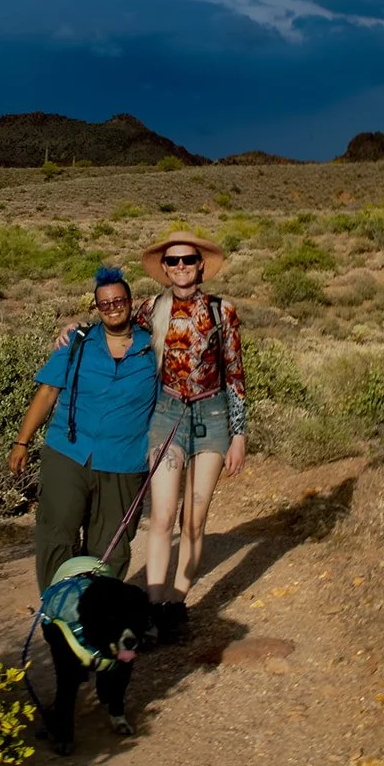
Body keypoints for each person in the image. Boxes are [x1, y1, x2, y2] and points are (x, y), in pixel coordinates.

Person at [9, 266, 160, 596]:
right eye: (104, 304)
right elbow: (48, 392)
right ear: (97, 308)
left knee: (111, 545)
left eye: (118, 300)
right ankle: (58, 607)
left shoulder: (153, 350)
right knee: (56, 532)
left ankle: (95, 611)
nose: (113, 308)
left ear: (130, 302)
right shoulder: (77, 342)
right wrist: (22, 442)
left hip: (124, 461)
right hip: (68, 451)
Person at [135, 231, 247, 643]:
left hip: (213, 417)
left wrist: (239, 434)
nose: (181, 267)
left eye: (188, 260)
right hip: (167, 415)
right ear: (164, 269)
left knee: (194, 520)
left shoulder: (223, 311)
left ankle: (175, 605)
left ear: (201, 265)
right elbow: (109, 326)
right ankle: (152, 605)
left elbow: (235, 374)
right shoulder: (149, 309)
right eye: (173, 261)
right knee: (162, 517)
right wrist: (74, 328)